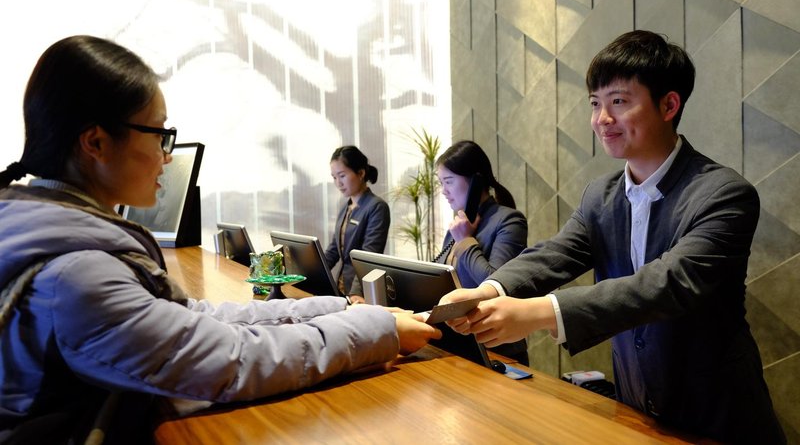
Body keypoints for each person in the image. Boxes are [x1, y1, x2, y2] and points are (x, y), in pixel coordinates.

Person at [0, 35, 440, 444]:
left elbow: (189, 319)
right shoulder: (77, 275)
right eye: (159, 133)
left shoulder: (51, 235)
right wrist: (375, 330)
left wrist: (339, 308)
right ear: (95, 142)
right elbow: (232, 359)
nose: (167, 155)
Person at [441, 30, 785, 442]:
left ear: (669, 105)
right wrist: (488, 290)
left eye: (619, 101)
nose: (602, 119)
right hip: (637, 411)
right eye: (595, 103)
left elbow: (666, 285)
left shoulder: (724, 194)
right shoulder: (600, 196)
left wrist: (539, 312)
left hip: (719, 416)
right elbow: (556, 254)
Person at [434, 140, 529, 364]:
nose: (444, 191)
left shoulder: (509, 221)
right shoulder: (460, 223)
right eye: (441, 183)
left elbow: (497, 283)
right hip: (458, 345)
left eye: (449, 182)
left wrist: (466, 241)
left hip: (497, 349)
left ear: (476, 181)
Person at [324, 146, 391, 303]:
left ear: (360, 173)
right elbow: (334, 250)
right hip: (341, 288)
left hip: (360, 293)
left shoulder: (376, 207)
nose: (338, 183)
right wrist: (309, 275)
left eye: (342, 176)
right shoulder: (346, 207)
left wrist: (356, 292)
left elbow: (369, 255)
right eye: (334, 177)